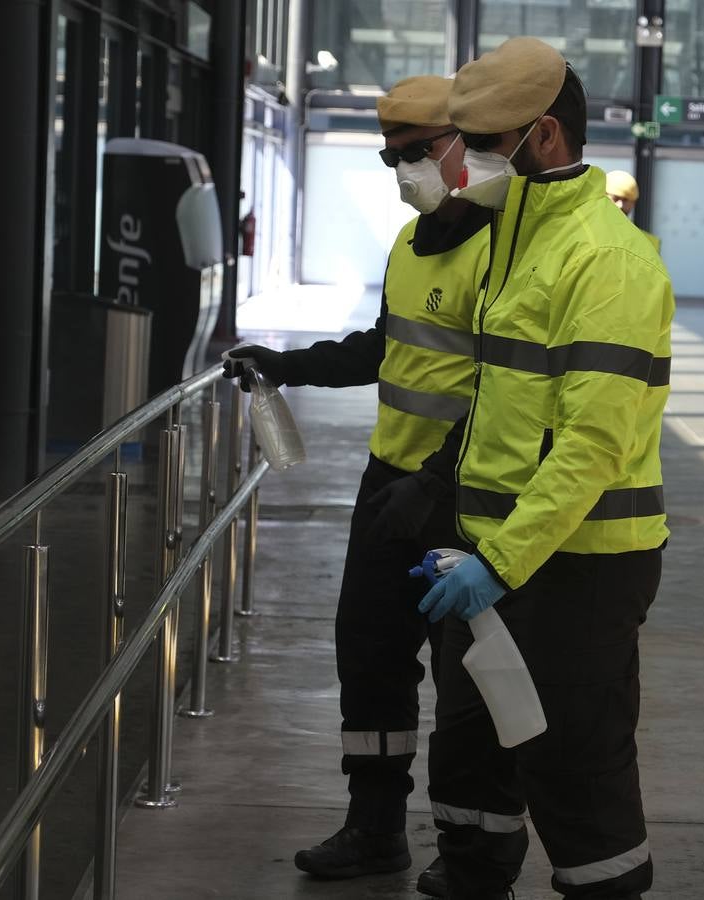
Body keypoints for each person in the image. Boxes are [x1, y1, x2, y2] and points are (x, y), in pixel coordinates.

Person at [376, 37, 673, 899]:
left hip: (577, 568)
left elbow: (591, 446)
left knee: (575, 767)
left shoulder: (608, 261)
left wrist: (499, 564)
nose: (465, 162)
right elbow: (497, 403)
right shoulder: (514, 238)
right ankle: (472, 874)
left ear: (544, 137)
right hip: (494, 551)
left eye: (485, 144)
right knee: (471, 742)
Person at [221, 75, 491, 884]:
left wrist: (440, 481)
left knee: (467, 678)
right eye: (393, 156)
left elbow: (510, 393)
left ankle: (470, 852)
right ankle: (374, 825)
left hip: (465, 498)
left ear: (462, 147)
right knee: (370, 660)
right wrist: (287, 362)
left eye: (418, 152)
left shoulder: (501, 253)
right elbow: (385, 349)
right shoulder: (409, 246)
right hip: (388, 484)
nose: (406, 170)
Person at [605, 169, 661, 253]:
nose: (620, 205)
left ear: (633, 202)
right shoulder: (587, 232)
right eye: (615, 198)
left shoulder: (649, 243)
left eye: (626, 200)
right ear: (602, 197)